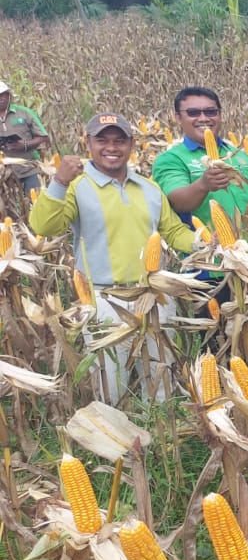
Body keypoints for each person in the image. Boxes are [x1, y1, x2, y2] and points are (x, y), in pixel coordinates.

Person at [30, 113, 197, 401]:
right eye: (102, 140)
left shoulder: (149, 188)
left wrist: (204, 242)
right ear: (88, 143)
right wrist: (58, 181)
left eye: (119, 140)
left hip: (155, 294)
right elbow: (44, 227)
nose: (112, 147)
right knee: (111, 381)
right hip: (104, 299)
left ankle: (164, 439)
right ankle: (117, 439)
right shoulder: (76, 188)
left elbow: (174, 232)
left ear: (132, 144)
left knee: (162, 377)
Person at [152, 86, 248, 233]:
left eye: (210, 112)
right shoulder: (170, 159)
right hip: (208, 251)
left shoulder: (239, 155)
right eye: (193, 113)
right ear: (178, 117)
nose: (203, 118)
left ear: (220, 114)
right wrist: (203, 184)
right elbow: (178, 202)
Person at [0, 79, 50, 200]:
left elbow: (44, 137)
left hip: (29, 169)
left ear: (9, 96)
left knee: (36, 203)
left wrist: (25, 145)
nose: (1, 99)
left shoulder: (24, 113)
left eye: (3, 95)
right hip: (4, 173)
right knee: (8, 209)